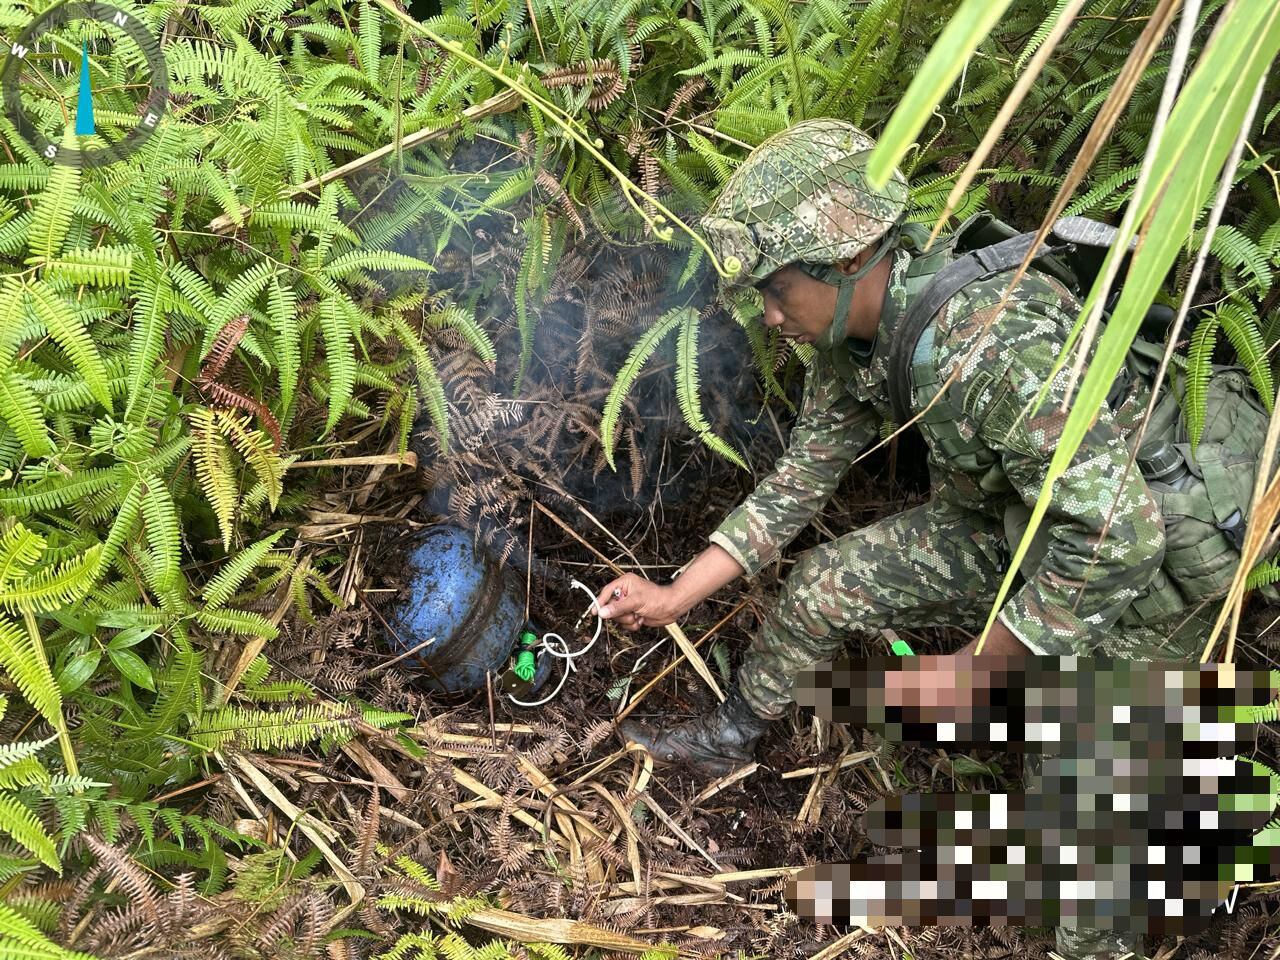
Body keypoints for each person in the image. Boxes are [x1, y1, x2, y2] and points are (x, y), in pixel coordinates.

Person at [594, 118, 1277, 960]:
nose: (768, 315)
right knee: (822, 586)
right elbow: (800, 481)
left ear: (846, 261)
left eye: (775, 290)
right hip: (1024, 524)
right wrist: (673, 596)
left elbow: (1117, 533)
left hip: (1152, 561)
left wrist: (980, 668)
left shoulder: (990, 342)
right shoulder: (856, 337)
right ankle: (731, 731)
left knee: (1081, 843)